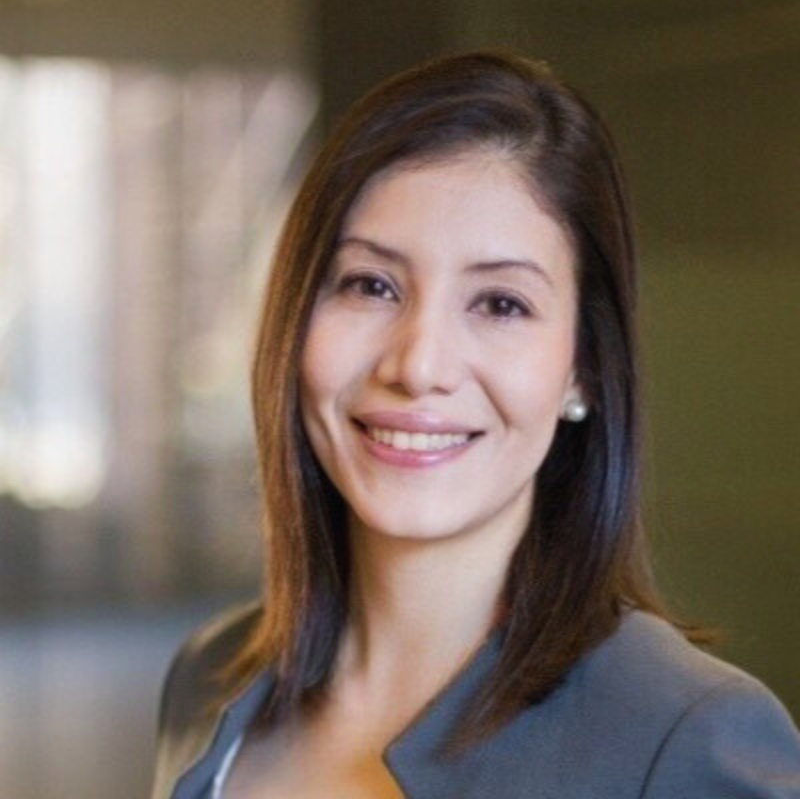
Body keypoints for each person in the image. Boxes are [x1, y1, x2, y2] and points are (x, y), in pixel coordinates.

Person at [150, 49, 800, 799]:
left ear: (583, 367)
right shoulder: (211, 678)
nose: (420, 365)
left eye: (500, 304)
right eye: (371, 285)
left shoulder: (684, 739)